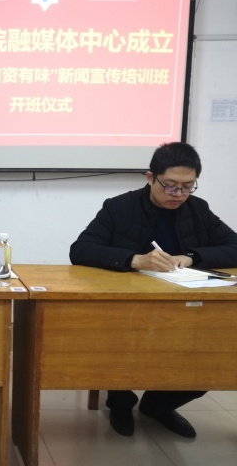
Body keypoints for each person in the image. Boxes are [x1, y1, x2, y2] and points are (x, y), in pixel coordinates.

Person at [70, 142, 237, 438]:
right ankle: (121, 403)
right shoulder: (119, 207)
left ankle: (158, 405)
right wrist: (134, 259)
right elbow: (80, 249)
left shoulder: (198, 209)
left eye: (187, 187)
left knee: (215, 351)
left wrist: (192, 257)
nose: (178, 194)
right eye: (170, 185)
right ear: (150, 177)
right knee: (116, 340)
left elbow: (233, 246)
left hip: (186, 307)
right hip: (129, 307)